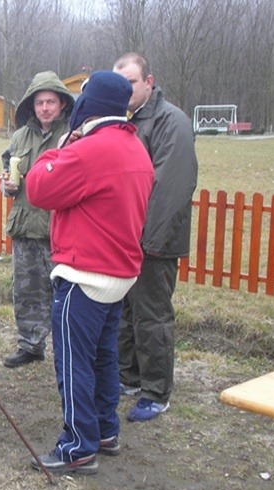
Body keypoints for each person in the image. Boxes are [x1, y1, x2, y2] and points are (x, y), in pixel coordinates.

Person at [25, 71, 154, 474]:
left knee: (73, 361)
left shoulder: (90, 149)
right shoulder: (134, 146)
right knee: (102, 357)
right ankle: (104, 431)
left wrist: (57, 149)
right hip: (119, 273)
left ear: (88, 106)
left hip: (85, 274)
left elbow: (37, 188)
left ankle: (77, 446)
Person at [113, 53, 199, 422]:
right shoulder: (126, 121)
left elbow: (171, 186)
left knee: (152, 317)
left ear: (149, 81)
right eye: (120, 84)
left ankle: (156, 392)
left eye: (132, 82)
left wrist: (150, 242)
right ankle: (129, 378)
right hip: (126, 240)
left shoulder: (170, 121)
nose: (126, 90)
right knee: (125, 314)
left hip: (153, 242)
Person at [0, 72, 74, 368]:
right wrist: (5, 185)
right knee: (27, 291)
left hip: (59, 229)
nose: (45, 108)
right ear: (32, 105)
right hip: (25, 226)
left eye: (51, 102)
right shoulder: (20, 137)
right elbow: (7, 171)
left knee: (64, 296)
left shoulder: (74, 134)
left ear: (62, 104)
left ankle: (67, 351)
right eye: (40, 102)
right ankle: (30, 345)